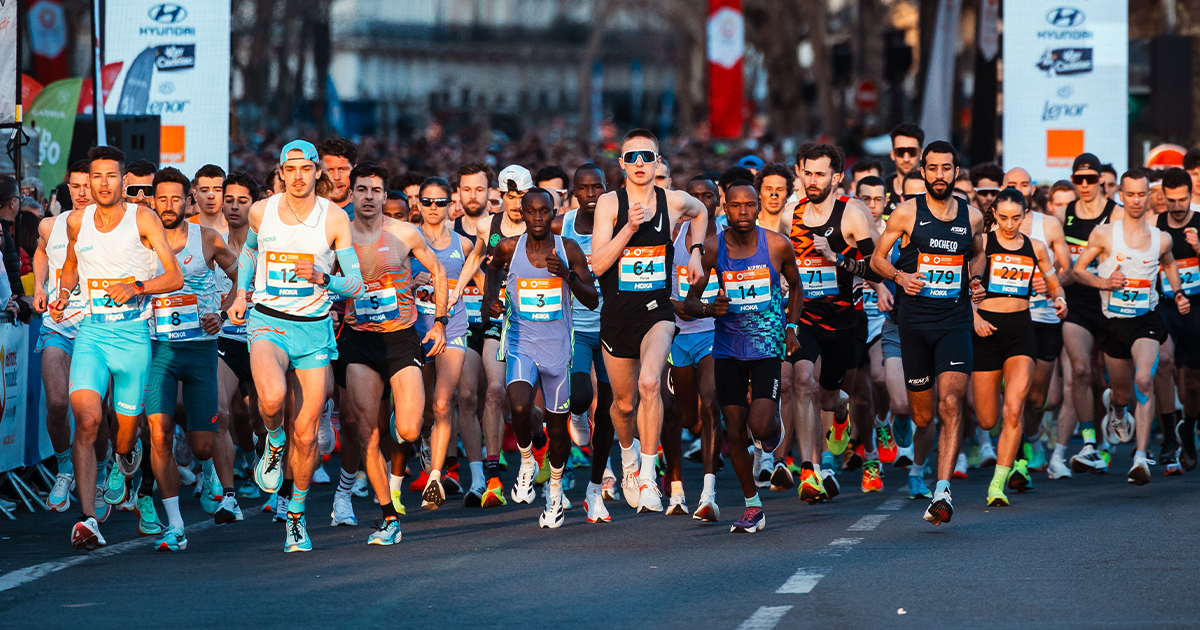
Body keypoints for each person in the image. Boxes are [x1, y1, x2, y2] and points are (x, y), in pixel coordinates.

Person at [228, 139, 368, 552]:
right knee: (270, 401)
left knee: (306, 436)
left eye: (306, 169)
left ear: (316, 171)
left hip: (313, 330)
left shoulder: (335, 218)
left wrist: (326, 279)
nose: (298, 176)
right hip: (268, 323)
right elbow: (250, 254)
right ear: (282, 173)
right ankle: (272, 442)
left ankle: (296, 516)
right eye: (291, 170)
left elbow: (355, 283)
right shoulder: (261, 210)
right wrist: (240, 294)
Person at [51, 146, 184, 550]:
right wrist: (62, 292)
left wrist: (137, 286)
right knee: (87, 420)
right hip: (92, 333)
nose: (104, 184)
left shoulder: (142, 218)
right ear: (87, 181)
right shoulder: (77, 222)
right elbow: (71, 265)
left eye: (112, 176)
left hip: (132, 339)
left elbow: (174, 276)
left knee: (124, 435)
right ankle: (88, 519)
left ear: (123, 180)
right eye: (97, 177)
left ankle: (127, 453)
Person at [591, 129, 709, 513]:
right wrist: (628, 227)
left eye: (647, 156)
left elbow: (702, 211)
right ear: (621, 164)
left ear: (658, 161)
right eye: (632, 157)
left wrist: (694, 252)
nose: (640, 163)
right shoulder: (609, 204)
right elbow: (598, 264)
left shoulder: (673, 201)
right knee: (622, 405)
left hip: (657, 310)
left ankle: (647, 473)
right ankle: (628, 459)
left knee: (649, 382)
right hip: (617, 314)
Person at [870, 140, 985, 526]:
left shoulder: (972, 217)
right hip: (914, 325)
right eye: (932, 168)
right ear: (923, 172)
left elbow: (978, 253)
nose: (939, 175)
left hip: (954, 322)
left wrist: (976, 279)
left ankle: (942, 490)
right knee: (923, 417)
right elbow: (876, 258)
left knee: (951, 403)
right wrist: (901, 276)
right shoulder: (907, 213)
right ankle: (911, 434)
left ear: (956, 172)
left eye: (946, 168)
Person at [332, 162, 446, 545]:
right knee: (368, 432)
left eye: (375, 190)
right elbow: (322, 277)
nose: (367, 197)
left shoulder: (404, 232)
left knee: (410, 427)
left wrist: (440, 322)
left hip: (400, 338)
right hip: (360, 342)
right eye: (361, 189)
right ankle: (388, 517)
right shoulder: (339, 235)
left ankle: (410, 434)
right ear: (351, 194)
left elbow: (438, 271)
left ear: (385, 195)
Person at [684, 182, 801, 532]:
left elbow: (796, 286)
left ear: (758, 208)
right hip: (727, 349)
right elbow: (690, 303)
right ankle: (753, 506)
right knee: (734, 431)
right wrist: (709, 307)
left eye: (750, 206)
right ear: (725, 207)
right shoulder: (711, 249)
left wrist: (792, 327)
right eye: (736, 206)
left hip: (767, 346)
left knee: (759, 425)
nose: (744, 213)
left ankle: (773, 425)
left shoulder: (777, 244)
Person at [483, 188, 597, 527]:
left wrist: (567, 275)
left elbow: (591, 299)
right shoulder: (508, 247)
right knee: (517, 405)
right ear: (521, 212)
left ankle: (556, 493)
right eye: (530, 211)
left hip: (559, 350)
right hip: (520, 343)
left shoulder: (568, 249)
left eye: (544, 212)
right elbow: (492, 270)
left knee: (558, 429)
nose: (537, 218)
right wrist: (493, 300)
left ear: (554, 211)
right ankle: (527, 459)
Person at [143, 167, 240, 551]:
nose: (168, 206)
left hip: (200, 349)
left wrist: (224, 311)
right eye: (161, 198)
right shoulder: (142, 242)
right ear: (152, 201)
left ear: (189, 200)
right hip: (157, 348)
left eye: (175, 198)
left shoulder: (209, 239)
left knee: (202, 445)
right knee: (159, 434)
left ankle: (202, 463)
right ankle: (175, 523)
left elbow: (238, 277)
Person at [1072, 169, 1189, 485]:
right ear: (1120, 195)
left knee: (1144, 380)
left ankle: (1140, 456)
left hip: (1145, 321)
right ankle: (1117, 409)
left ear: (1149, 197)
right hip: (1113, 323)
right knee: (1122, 392)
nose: (1137, 200)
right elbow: (1079, 270)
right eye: (1131, 194)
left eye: (1142, 194)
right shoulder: (1105, 234)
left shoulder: (1160, 237)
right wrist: (1104, 281)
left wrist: (1177, 292)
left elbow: (1170, 263)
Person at [787, 143, 881, 502]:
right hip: (805, 317)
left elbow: (875, 268)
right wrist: (784, 278)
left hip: (845, 322)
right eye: (807, 173)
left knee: (827, 398)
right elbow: (786, 263)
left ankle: (841, 409)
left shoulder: (853, 214)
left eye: (820, 174)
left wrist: (836, 256)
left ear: (837, 177)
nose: (812, 180)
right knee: (802, 381)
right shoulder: (792, 215)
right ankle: (809, 470)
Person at [972, 189, 1066, 506]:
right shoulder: (983, 243)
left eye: (1016, 217)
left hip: (1021, 332)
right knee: (987, 419)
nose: (1009, 224)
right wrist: (973, 317)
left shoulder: (1035, 246)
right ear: (994, 215)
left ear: (1025, 214)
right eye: (1002, 218)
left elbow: (1053, 282)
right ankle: (1003, 453)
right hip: (986, 332)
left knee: (1015, 407)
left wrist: (1060, 299)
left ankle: (997, 484)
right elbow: (961, 285)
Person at [33, 159, 105, 517]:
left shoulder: (112, 228)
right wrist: (40, 288)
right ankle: (64, 469)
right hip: (58, 326)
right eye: (74, 186)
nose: (80, 193)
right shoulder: (51, 224)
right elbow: (42, 251)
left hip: (98, 329)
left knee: (96, 414)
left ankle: (102, 472)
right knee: (58, 404)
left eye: (86, 186)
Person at [460, 163, 531, 507]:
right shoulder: (489, 224)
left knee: (532, 406)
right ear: (500, 196)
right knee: (494, 390)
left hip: (536, 322)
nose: (517, 203)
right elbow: (476, 257)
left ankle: (539, 448)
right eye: (510, 196)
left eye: (522, 196)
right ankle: (492, 478)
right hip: (498, 318)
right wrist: (454, 293)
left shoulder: (543, 224)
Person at [552, 164, 619, 522]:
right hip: (576, 326)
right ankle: (577, 415)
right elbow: (508, 243)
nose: (591, 194)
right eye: (584, 188)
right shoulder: (560, 227)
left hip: (611, 327)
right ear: (573, 192)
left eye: (598, 187)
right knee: (579, 396)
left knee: (609, 409)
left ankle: (595, 489)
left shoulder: (619, 225)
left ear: (607, 189)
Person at [1056, 153, 1123, 474]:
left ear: (1100, 180)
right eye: (1078, 179)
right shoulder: (1062, 214)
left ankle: (1117, 408)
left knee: (1114, 383)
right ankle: (1088, 442)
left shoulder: (1118, 215)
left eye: (1090, 179)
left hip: (1112, 303)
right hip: (1078, 304)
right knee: (1080, 372)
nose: (1084, 185)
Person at [660, 175, 722, 519]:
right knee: (680, 415)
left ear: (717, 200)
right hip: (676, 333)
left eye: (707, 195)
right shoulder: (672, 239)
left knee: (711, 403)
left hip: (714, 331)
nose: (701, 201)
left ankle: (708, 494)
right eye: (693, 196)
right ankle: (677, 486)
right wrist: (680, 305)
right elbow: (661, 288)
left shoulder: (726, 240)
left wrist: (711, 308)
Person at [409, 177, 474, 508]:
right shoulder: (406, 239)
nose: (434, 208)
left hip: (453, 327)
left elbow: (485, 268)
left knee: (442, 403)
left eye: (441, 202)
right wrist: (410, 281)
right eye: (428, 201)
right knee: (420, 412)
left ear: (452, 205)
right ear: (418, 204)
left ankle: (436, 476)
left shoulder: (462, 244)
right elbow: (385, 279)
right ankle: (421, 437)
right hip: (415, 329)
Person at [215, 172, 262, 500]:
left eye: (242, 201)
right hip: (225, 341)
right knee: (223, 409)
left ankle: (265, 464)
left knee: (258, 418)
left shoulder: (266, 245)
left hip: (261, 340)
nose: (233, 206)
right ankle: (235, 478)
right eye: (228, 199)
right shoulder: (211, 242)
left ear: (253, 204)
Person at [1157, 168, 1200, 472]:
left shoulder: (1199, 223)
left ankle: (1188, 427)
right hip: (1164, 306)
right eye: (1171, 200)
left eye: (1182, 199)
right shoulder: (1155, 226)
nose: (1177, 205)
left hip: (1197, 306)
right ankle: (1169, 437)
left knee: (1194, 383)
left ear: (1190, 195)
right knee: (1165, 362)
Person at [885, 124, 925, 211]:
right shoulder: (882, 190)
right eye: (900, 152)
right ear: (892, 154)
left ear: (921, 154)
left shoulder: (933, 190)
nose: (906, 159)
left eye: (912, 152)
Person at [319, 138, 357, 219]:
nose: (336, 177)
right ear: (319, 172)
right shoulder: (310, 213)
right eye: (330, 170)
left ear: (355, 171)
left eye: (342, 169)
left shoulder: (366, 215)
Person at [189, 165, 228, 235]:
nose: (211, 196)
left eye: (217, 190)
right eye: (204, 190)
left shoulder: (235, 229)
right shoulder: (185, 228)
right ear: (195, 195)